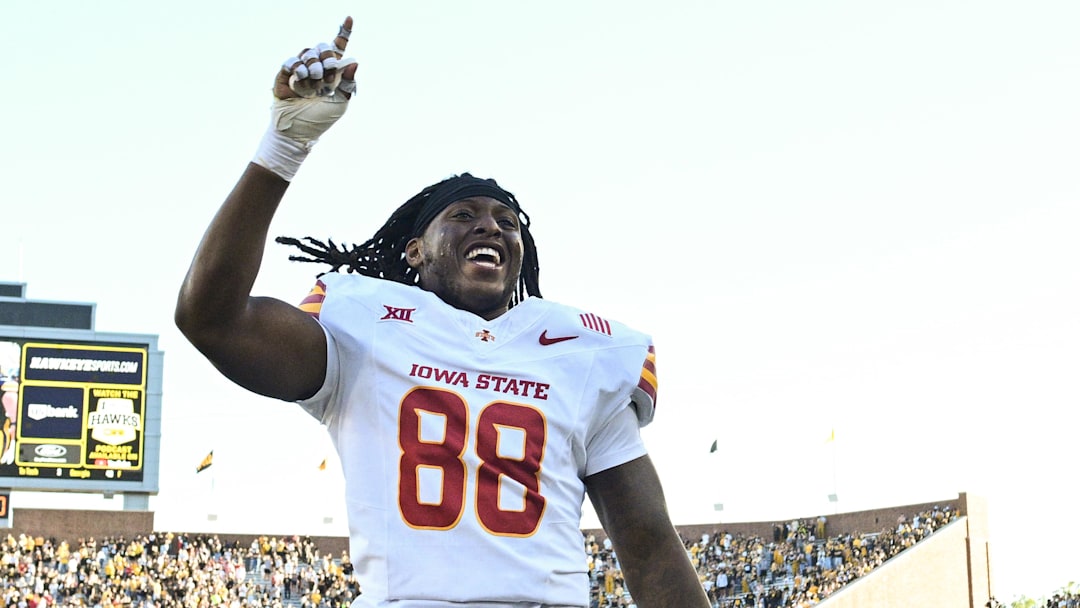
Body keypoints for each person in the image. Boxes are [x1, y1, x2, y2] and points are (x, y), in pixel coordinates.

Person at [175, 16, 709, 608]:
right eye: (463, 216)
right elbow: (212, 318)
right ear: (415, 251)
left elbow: (650, 545)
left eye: (507, 222)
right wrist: (283, 148)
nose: (490, 226)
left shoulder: (588, 352)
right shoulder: (362, 323)